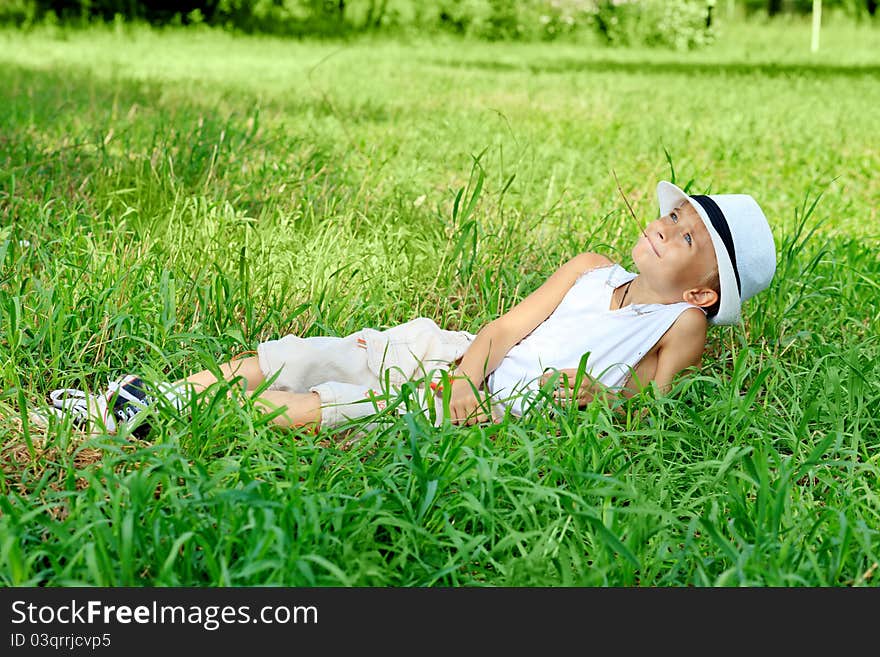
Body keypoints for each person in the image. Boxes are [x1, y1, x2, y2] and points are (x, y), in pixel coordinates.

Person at [45, 180, 777, 437]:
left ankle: (156, 415)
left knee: (335, 405)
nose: (663, 225)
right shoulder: (590, 268)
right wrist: (463, 374)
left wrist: (598, 401)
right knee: (310, 352)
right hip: (464, 359)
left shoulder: (676, 325)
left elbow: (650, 409)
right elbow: (504, 328)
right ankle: (154, 396)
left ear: (701, 293)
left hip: (506, 410)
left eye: (686, 235)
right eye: (674, 213)